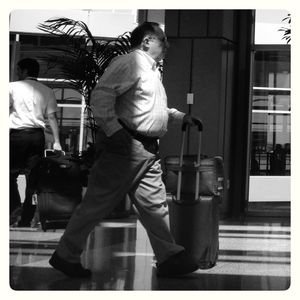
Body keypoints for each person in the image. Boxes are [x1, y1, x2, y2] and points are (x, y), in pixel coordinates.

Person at [49, 21, 199, 278]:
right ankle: (65, 254)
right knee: (97, 203)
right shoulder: (131, 63)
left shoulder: (150, 69)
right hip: (126, 147)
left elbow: (149, 109)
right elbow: (100, 96)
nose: (167, 45)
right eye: (163, 40)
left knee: (155, 206)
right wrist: (115, 132)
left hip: (146, 149)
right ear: (147, 41)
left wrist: (179, 116)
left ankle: (169, 256)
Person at [9, 58, 62, 227]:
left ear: (24, 71)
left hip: (17, 136)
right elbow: (52, 117)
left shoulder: (11, 87)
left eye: (19, 70)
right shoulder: (47, 91)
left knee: (9, 175)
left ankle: (14, 208)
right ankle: (26, 218)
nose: (18, 73)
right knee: (33, 179)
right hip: (37, 137)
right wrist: (57, 142)